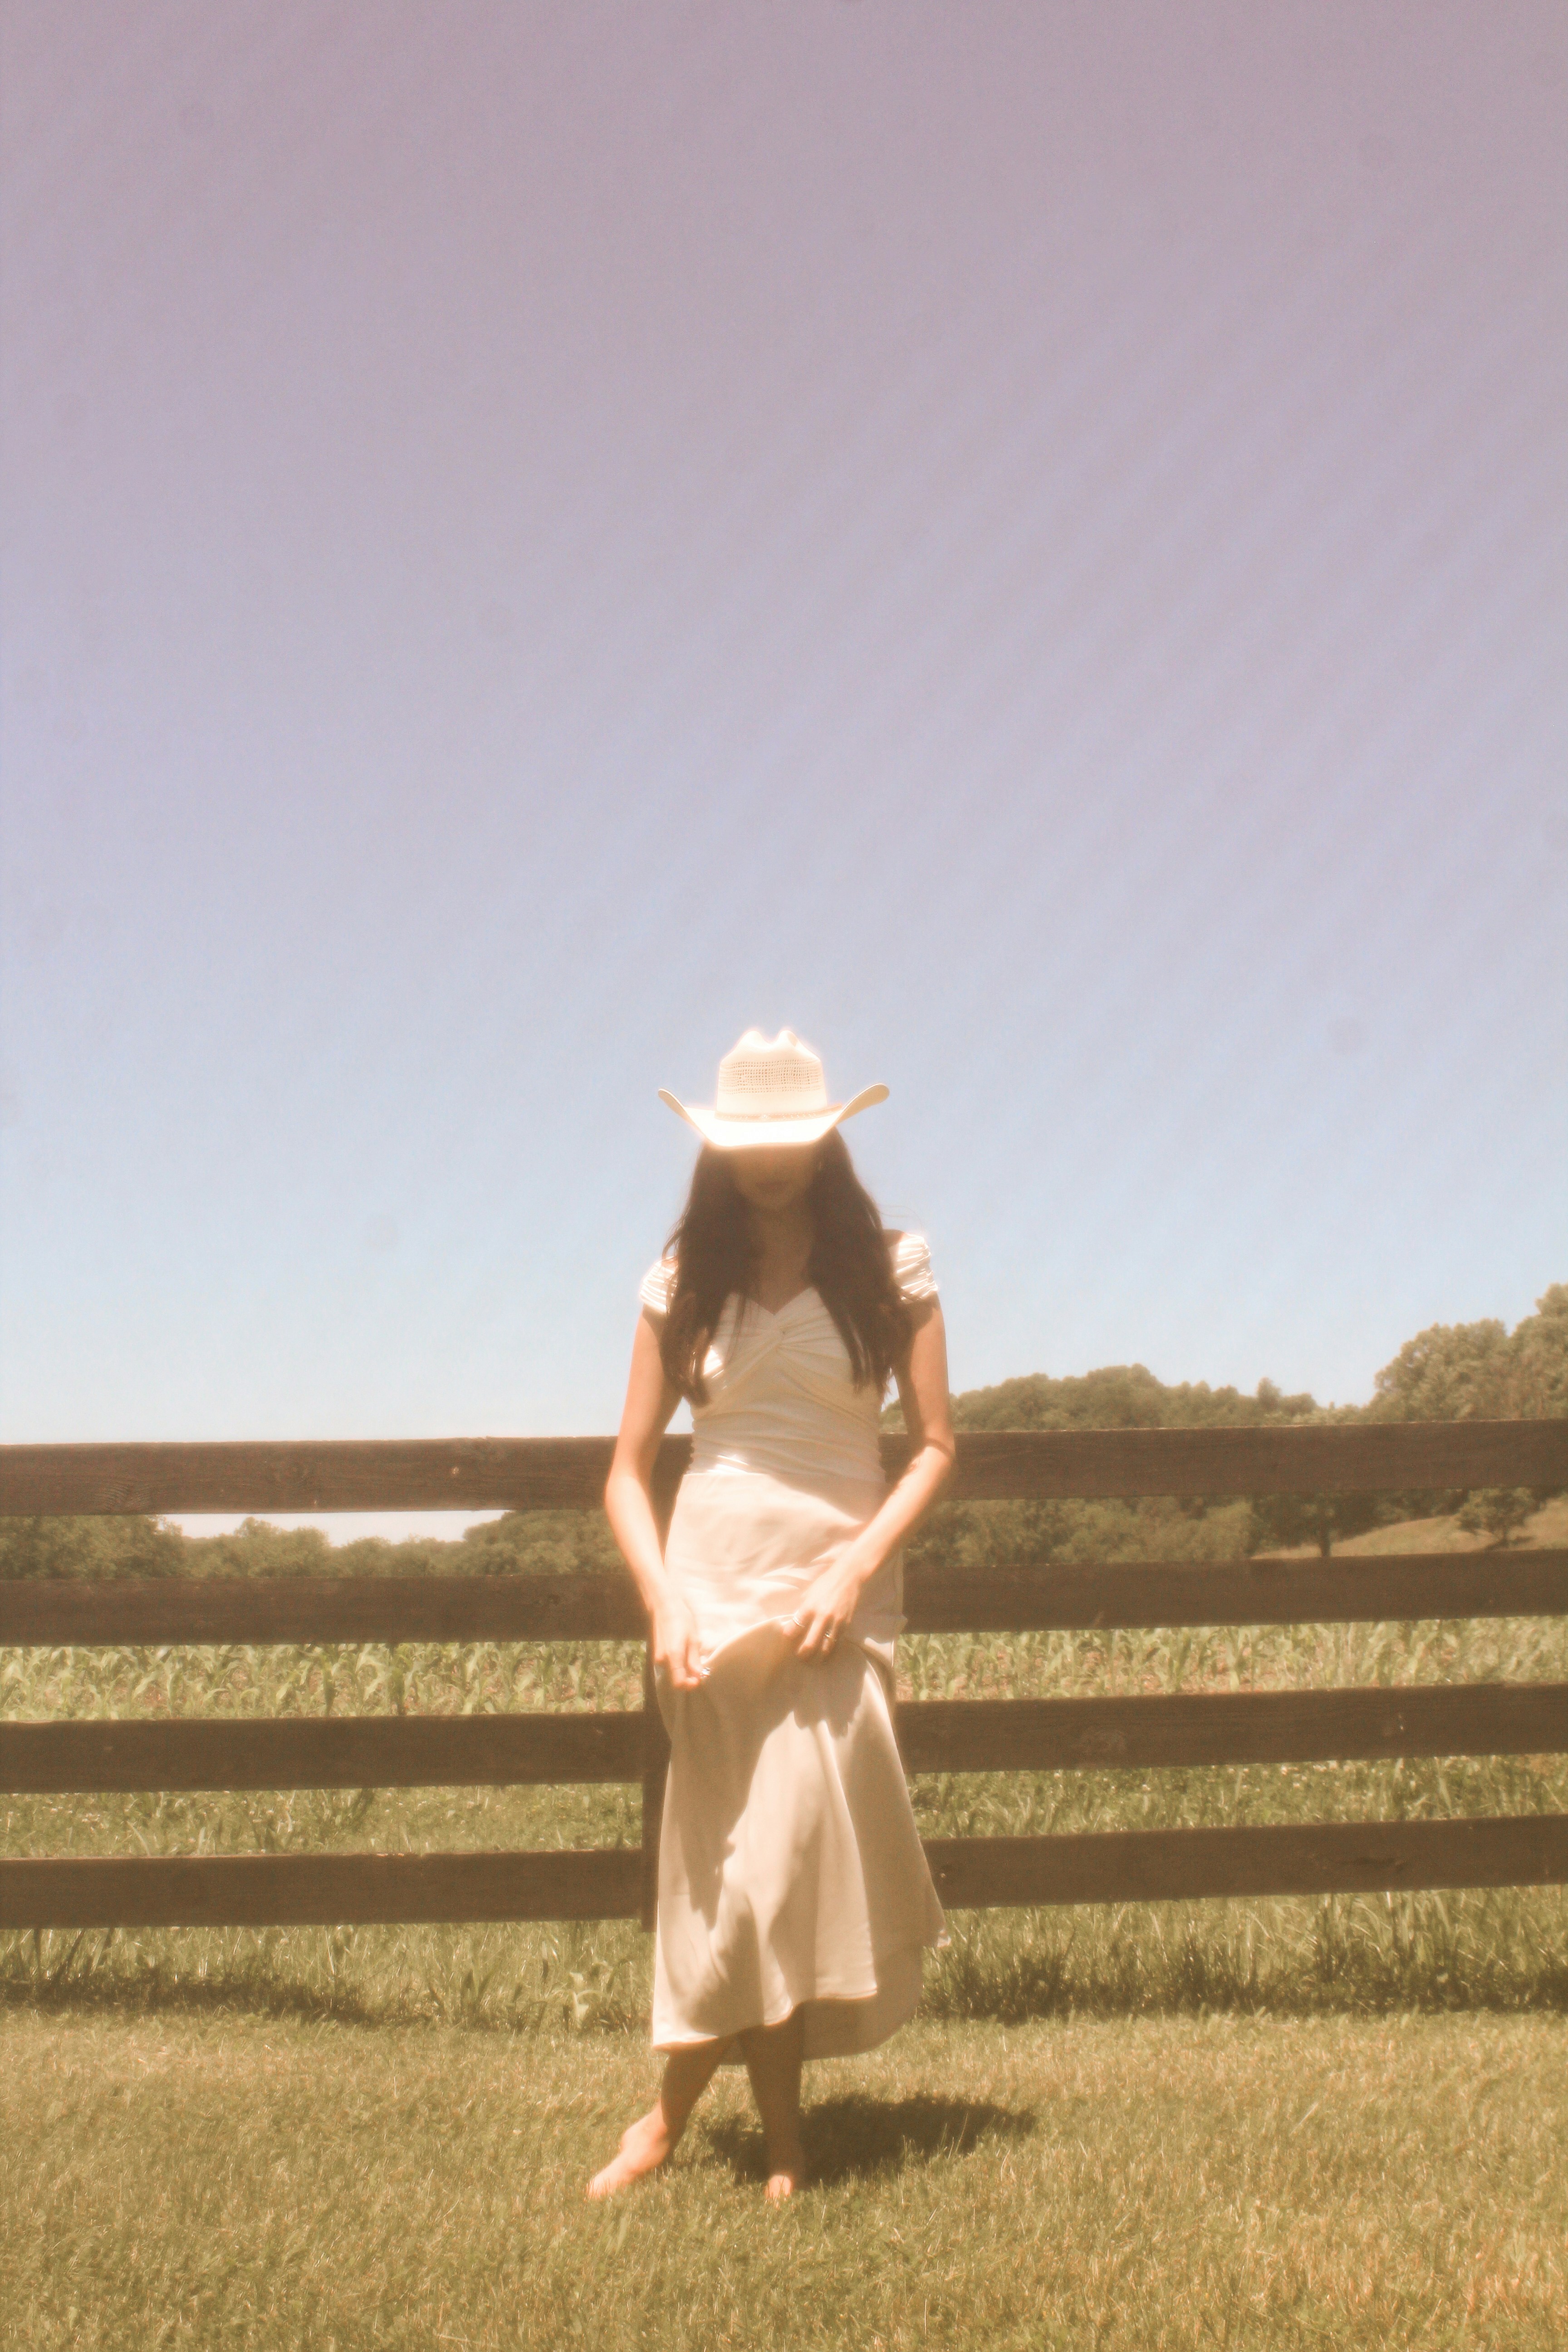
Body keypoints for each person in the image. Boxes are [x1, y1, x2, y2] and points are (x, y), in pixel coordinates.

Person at [588, 1027, 954, 2201]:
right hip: (709, 1597)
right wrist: (664, 1599)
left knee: (785, 1875)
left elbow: (937, 1450)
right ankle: (729, 2132)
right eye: (749, 1144)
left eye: (791, 1141)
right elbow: (625, 1470)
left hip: (838, 1603)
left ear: (829, 1138)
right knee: (726, 1879)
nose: (770, 1162)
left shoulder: (894, 1269)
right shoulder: (680, 1279)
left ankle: (711, 2131)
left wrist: (853, 1571)